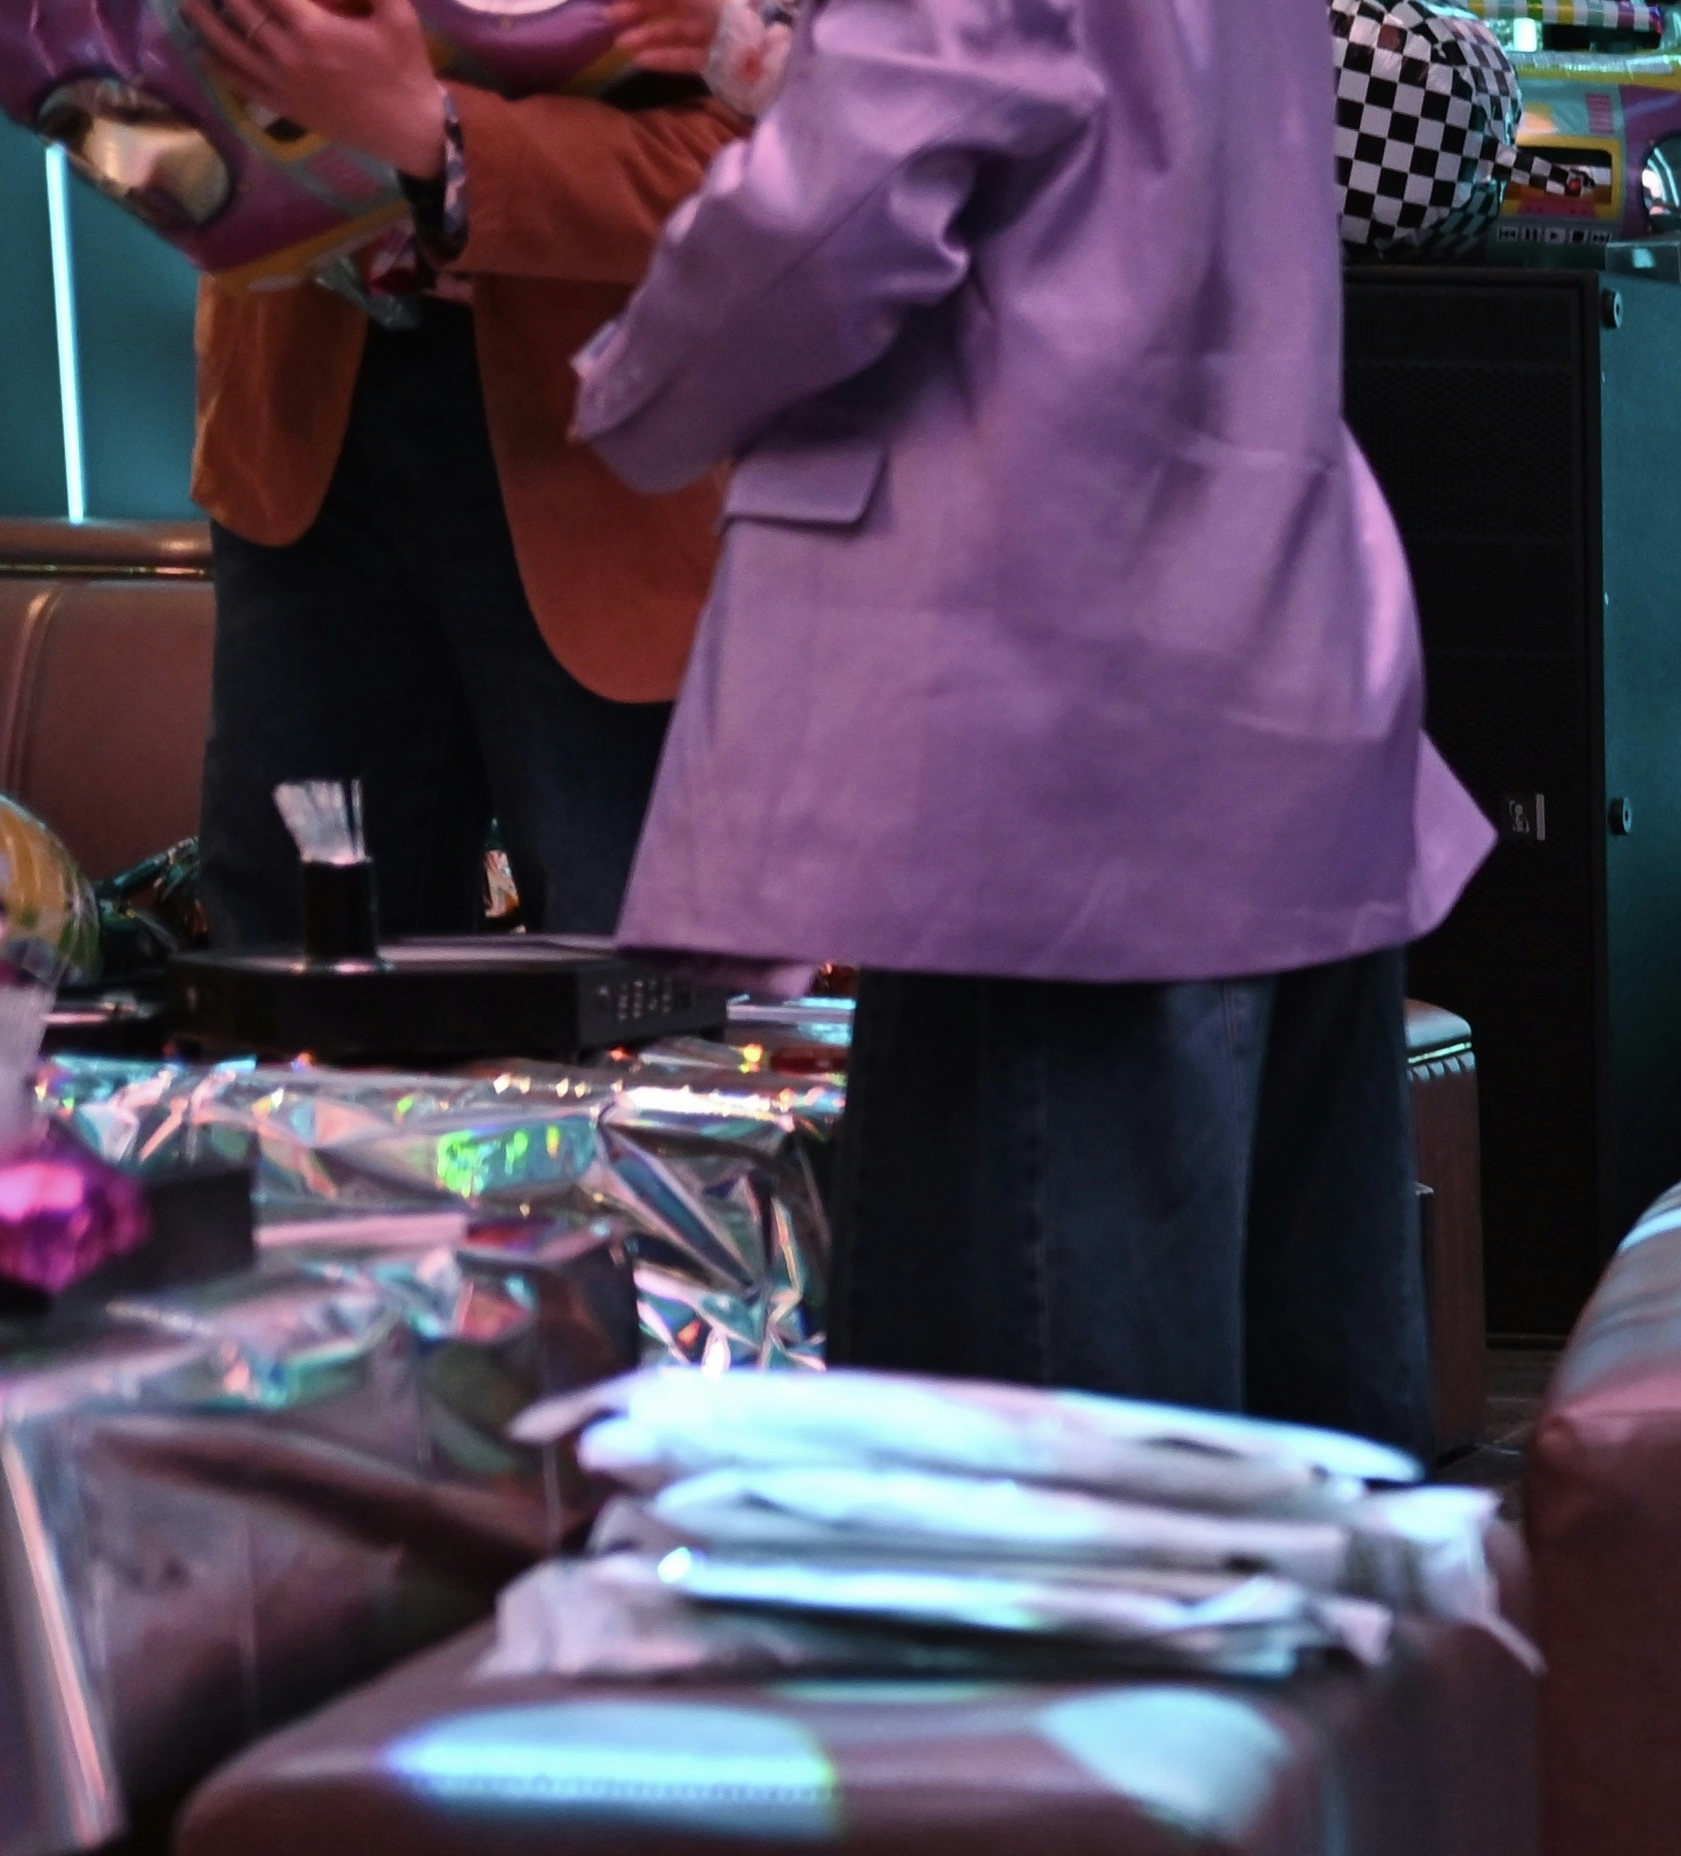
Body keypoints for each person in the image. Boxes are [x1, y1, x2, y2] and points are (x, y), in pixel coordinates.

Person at [562, 0, 1483, 1428]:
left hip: (1037, 729)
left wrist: (631, 389)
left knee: (1032, 1497)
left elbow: (843, 208)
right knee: (1297, 1461)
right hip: (1270, 672)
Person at [172, 0, 734, 952]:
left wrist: (437, 137)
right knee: (290, 974)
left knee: (644, 1002)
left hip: (618, 457)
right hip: (305, 401)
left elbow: (806, 158)